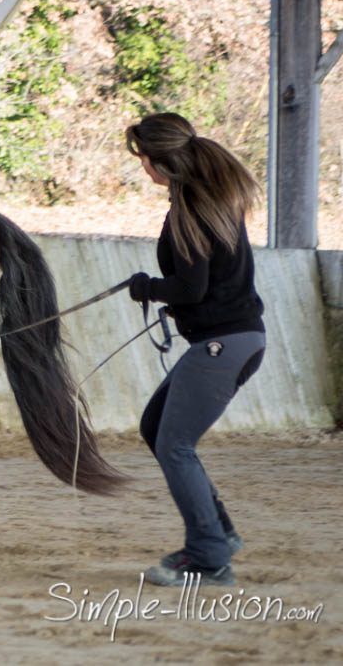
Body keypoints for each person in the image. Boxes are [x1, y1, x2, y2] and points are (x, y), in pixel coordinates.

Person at [125, 112, 266, 589]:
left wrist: (148, 288)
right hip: (233, 339)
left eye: (143, 158)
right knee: (155, 427)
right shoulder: (207, 199)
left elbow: (190, 288)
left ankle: (208, 555)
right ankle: (219, 533)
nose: (143, 167)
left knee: (174, 444)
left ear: (159, 161)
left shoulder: (190, 208)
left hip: (222, 344)